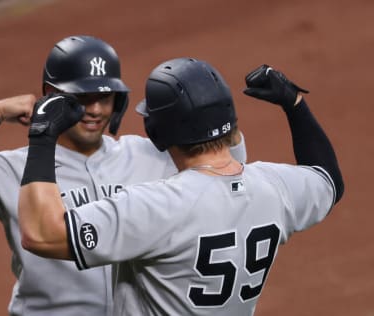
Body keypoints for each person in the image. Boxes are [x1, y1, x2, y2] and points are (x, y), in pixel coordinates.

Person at [0, 36, 247, 315]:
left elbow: (226, 167)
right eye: (81, 98)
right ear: (51, 93)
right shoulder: (14, 168)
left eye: (104, 97)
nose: (95, 110)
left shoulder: (148, 154)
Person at [18, 58, 344, 315]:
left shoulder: (157, 207)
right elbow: (328, 179)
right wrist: (295, 104)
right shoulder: (276, 187)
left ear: (158, 134)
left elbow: (41, 234)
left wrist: (43, 136)